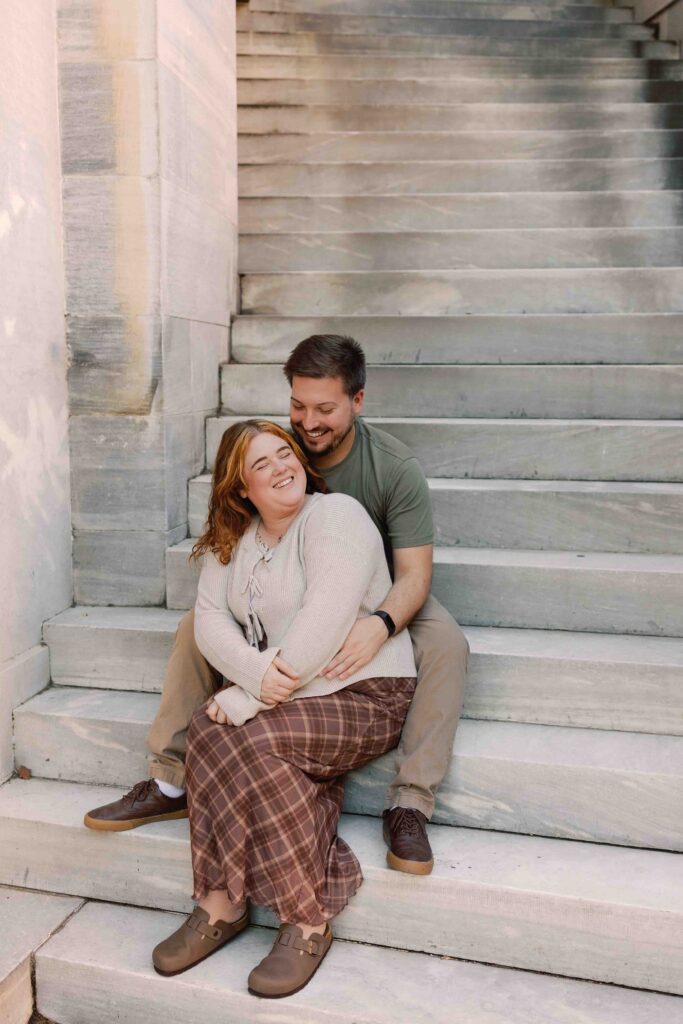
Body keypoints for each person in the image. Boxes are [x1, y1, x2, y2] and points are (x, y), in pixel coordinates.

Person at [85, 335, 469, 875]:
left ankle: (410, 802)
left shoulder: (392, 467)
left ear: (357, 401)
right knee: (197, 624)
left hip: (375, 589)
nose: (308, 423)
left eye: (324, 410)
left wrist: (381, 624)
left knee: (447, 642)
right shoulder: (279, 450)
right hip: (291, 583)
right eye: (298, 406)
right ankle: (170, 779)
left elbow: (415, 575)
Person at [151, 420, 417, 996]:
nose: (280, 468)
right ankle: (221, 902)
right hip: (290, 692)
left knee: (258, 740)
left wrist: (250, 693)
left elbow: (326, 620)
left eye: (284, 454)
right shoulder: (236, 538)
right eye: (261, 464)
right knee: (207, 730)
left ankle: (306, 918)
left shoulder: (336, 516)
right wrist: (253, 680)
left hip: (364, 692)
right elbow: (209, 620)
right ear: (240, 488)